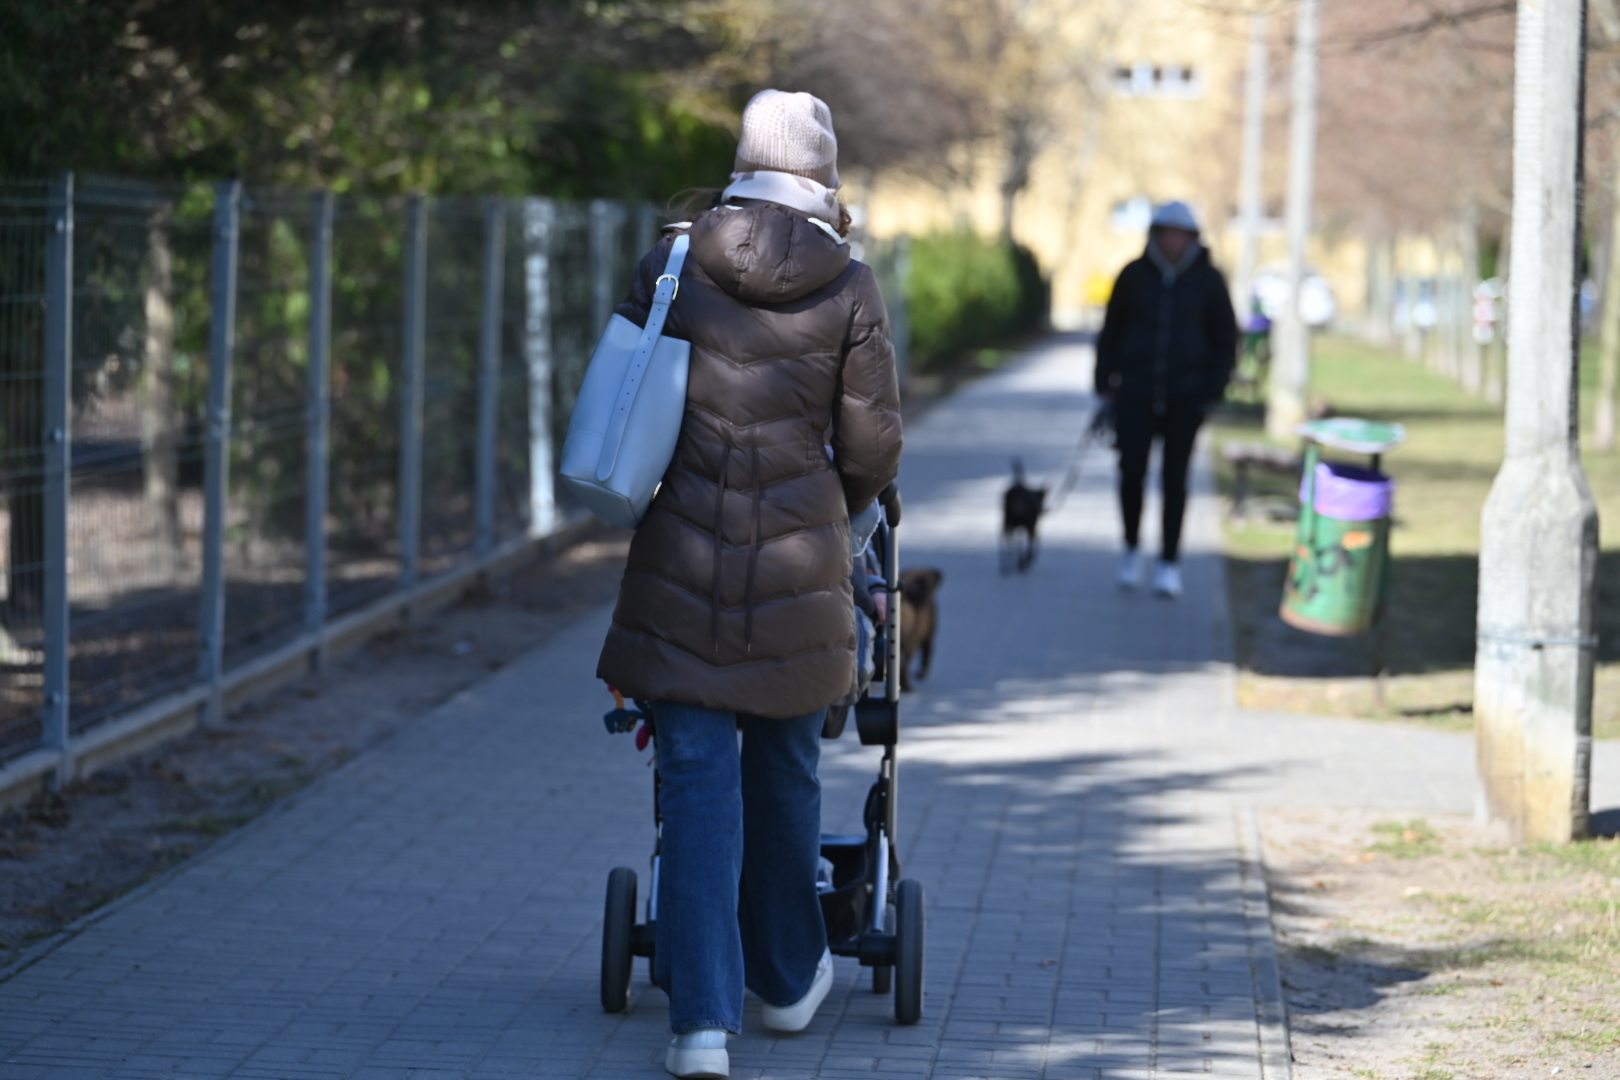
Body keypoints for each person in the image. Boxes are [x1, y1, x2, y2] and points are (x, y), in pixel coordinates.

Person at [596, 89, 903, 1080]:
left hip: (678, 563)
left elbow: (623, 408)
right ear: (823, 174)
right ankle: (785, 981)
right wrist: (830, 510)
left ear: (740, 162)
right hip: (800, 572)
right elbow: (871, 450)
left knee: (691, 788)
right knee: (785, 776)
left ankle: (698, 1029)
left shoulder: (671, 265)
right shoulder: (849, 287)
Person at [1094, 200, 1237, 598]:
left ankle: (1169, 563)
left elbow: (1226, 339)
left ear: (1191, 238)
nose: (1173, 241)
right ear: (1155, 234)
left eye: (1181, 234)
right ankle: (1130, 551)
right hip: (1134, 395)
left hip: (1185, 399)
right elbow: (1111, 331)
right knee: (1131, 475)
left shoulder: (1209, 280)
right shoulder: (1133, 275)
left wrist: (1213, 388)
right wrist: (1104, 382)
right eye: (1166, 233)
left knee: (1176, 480)